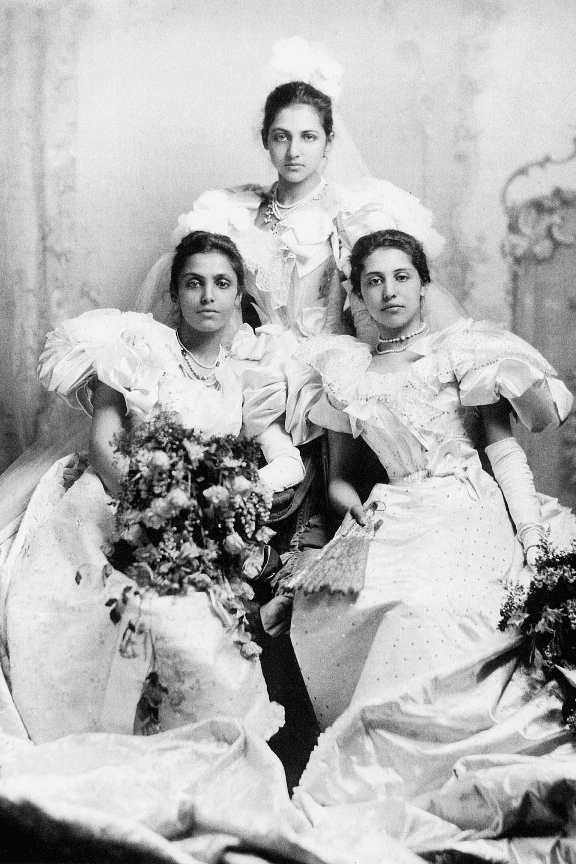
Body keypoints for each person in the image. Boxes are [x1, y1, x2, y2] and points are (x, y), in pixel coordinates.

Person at [281, 228, 576, 854]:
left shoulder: (460, 352)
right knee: (368, 609)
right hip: (394, 512)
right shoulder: (346, 369)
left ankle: (466, 762)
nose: (388, 291)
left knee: (434, 614)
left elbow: (503, 451)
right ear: (358, 294)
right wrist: (352, 506)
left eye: (401, 277)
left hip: (465, 507)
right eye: (374, 281)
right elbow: (339, 477)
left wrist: (532, 539)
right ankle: (396, 778)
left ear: (423, 284)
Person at [1, 230, 306, 745]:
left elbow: (290, 463)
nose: (207, 296)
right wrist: (155, 509)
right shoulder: (139, 350)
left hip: (189, 525)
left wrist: (229, 491)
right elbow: (105, 447)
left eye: (221, 284)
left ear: (238, 297)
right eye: (193, 283)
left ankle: (188, 745)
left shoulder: (244, 380)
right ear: (174, 294)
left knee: (197, 633)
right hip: (110, 506)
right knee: (104, 614)